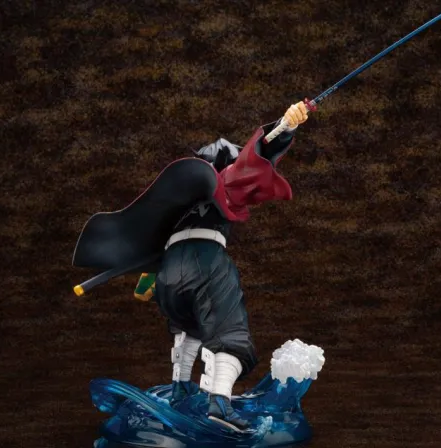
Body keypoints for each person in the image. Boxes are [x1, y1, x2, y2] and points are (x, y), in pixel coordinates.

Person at [72, 102, 309, 432]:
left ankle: (181, 387)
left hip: (169, 274)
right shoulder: (223, 181)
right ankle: (220, 403)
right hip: (205, 261)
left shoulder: (177, 210)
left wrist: (147, 283)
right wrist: (285, 127)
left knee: (190, 324)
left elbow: (153, 253)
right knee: (229, 331)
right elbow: (253, 161)